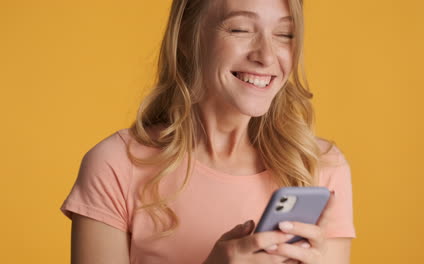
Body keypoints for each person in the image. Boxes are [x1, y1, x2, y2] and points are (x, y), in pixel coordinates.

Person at [60, 0, 356, 263]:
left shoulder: (321, 168)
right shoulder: (116, 164)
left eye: (285, 35)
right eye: (240, 29)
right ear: (188, 38)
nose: (266, 56)